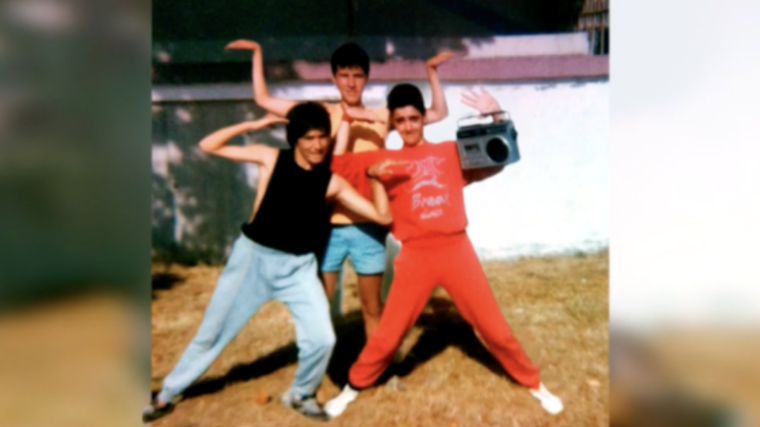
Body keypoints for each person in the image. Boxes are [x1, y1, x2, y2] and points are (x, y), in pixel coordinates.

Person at [322, 85, 564, 418]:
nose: (408, 126)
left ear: (424, 118)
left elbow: (500, 157)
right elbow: (331, 164)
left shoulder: (450, 152)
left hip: (456, 250)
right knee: (388, 335)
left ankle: (534, 383)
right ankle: (352, 388)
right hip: (415, 256)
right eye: (400, 120)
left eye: (414, 118)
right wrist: (346, 121)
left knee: (494, 328)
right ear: (392, 123)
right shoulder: (381, 160)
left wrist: (494, 113)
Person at [143, 102, 392, 423]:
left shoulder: (331, 183)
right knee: (213, 333)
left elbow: (381, 216)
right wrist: (252, 125)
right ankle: (166, 395)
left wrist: (375, 180)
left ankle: (300, 394)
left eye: (322, 137)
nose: (317, 145)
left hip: (299, 268)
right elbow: (208, 145)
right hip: (254, 261)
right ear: (294, 139)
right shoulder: (271, 158)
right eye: (309, 138)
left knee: (322, 338)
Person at [224, 39, 456, 338]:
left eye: (357, 75)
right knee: (319, 306)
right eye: (344, 75)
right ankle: (318, 374)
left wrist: (431, 72)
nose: (350, 82)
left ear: (366, 78)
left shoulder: (381, 115)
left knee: (373, 308)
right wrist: (257, 53)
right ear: (334, 78)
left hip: (369, 225)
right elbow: (264, 99)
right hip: (326, 226)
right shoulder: (321, 114)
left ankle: (381, 371)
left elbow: (436, 113)